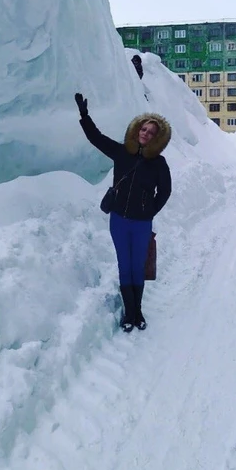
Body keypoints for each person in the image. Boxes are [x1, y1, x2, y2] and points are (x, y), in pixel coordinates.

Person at [75, 92, 172, 333]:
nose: (145, 134)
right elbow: (96, 138)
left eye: (151, 132)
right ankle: (130, 313)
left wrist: (150, 210)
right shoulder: (122, 153)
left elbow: (165, 191)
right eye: (143, 129)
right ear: (136, 130)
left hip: (141, 224)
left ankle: (136, 311)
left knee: (137, 266)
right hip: (118, 220)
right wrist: (84, 115)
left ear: (156, 139)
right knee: (124, 265)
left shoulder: (159, 163)